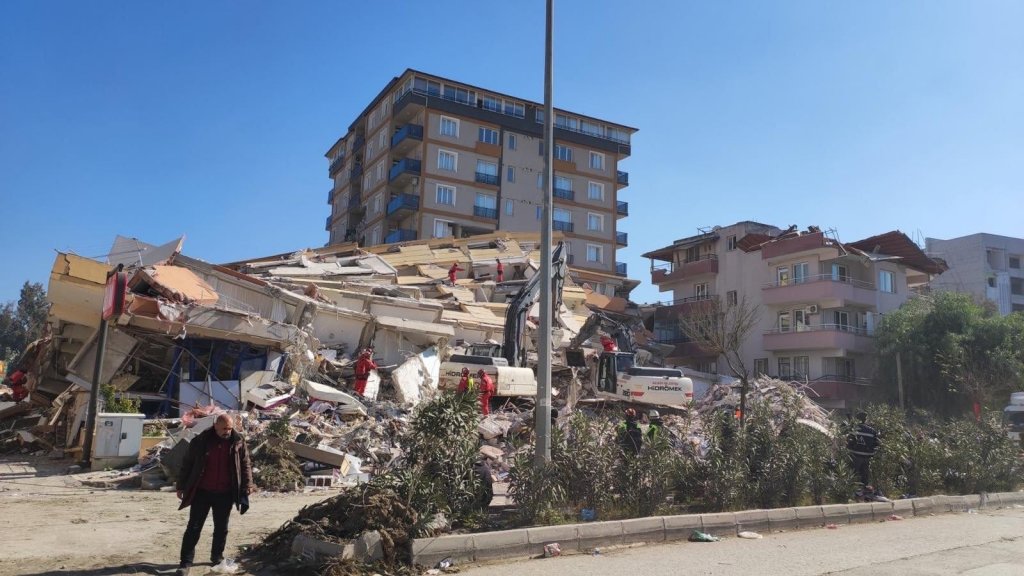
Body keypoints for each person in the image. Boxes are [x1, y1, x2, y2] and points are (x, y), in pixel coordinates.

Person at [175, 414, 253, 576]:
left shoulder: (238, 442)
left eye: (230, 428)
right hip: (202, 492)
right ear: (215, 426)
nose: (227, 431)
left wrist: (248, 485)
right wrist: (181, 486)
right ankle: (185, 563)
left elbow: (245, 464)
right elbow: (187, 463)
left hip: (225, 493)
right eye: (224, 428)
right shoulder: (201, 441)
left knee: (221, 528)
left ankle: (217, 557)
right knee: (194, 527)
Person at [846, 411, 880, 487]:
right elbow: (876, 443)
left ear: (857, 419)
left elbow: (848, 441)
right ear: (865, 419)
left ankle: (853, 490)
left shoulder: (854, 429)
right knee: (864, 477)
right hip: (867, 457)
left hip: (855, 456)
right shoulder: (872, 430)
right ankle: (864, 490)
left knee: (852, 476)